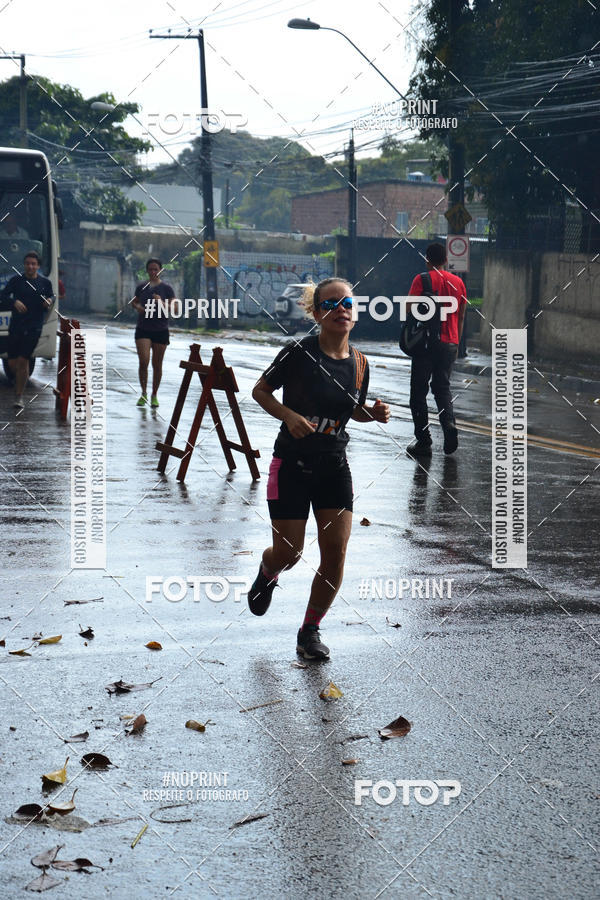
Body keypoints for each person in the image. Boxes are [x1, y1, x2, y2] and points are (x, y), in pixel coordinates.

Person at [249, 277, 390, 660]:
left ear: (354, 313)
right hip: (291, 465)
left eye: (347, 303)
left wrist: (372, 414)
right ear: (316, 313)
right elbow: (260, 391)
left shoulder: (360, 364)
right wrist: (288, 415)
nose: (340, 309)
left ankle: (309, 631)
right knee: (290, 552)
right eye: (330, 304)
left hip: (334, 467)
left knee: (335, 553)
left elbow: (351, 411)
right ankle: (268, 570)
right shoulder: (297, 353)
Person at [406, 242, 467, 457]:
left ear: (427, 260)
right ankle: (449, 424)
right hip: (450, 342)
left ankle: (424, 442)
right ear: (446, 260)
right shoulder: (459, 282)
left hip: (426, 343)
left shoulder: (422, 279)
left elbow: (409, 308)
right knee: (442, 388)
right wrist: (456, 343)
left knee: (418, 392)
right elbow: (461, 316)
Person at [0, 251, 53, 409]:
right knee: (12, 363)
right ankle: (19, 378)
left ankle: (19, 397)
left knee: (24, 360)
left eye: (33, 264)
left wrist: (49, 300)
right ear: (24, 265)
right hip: (16, 326)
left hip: (34, 327)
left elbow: (52, 296)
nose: (30, 266)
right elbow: (3, 296)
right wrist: (14, 302)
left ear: (38, 266)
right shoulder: (16, 281)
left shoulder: (45, 283)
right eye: (28, 264)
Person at [131, 258, 175, 408]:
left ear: (160, 270)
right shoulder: (141, 287)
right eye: (150, 269)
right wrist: (138, 308)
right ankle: (143, 393)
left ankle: (154, 394)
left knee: (157, 364)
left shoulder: (167, 288)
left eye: (156, 269)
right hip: (143, 328)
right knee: (144, 361)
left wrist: (160, 302)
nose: (153, 272)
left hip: (161, 329)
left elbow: (174, 308)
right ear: (147, 270)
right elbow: (134, 302)